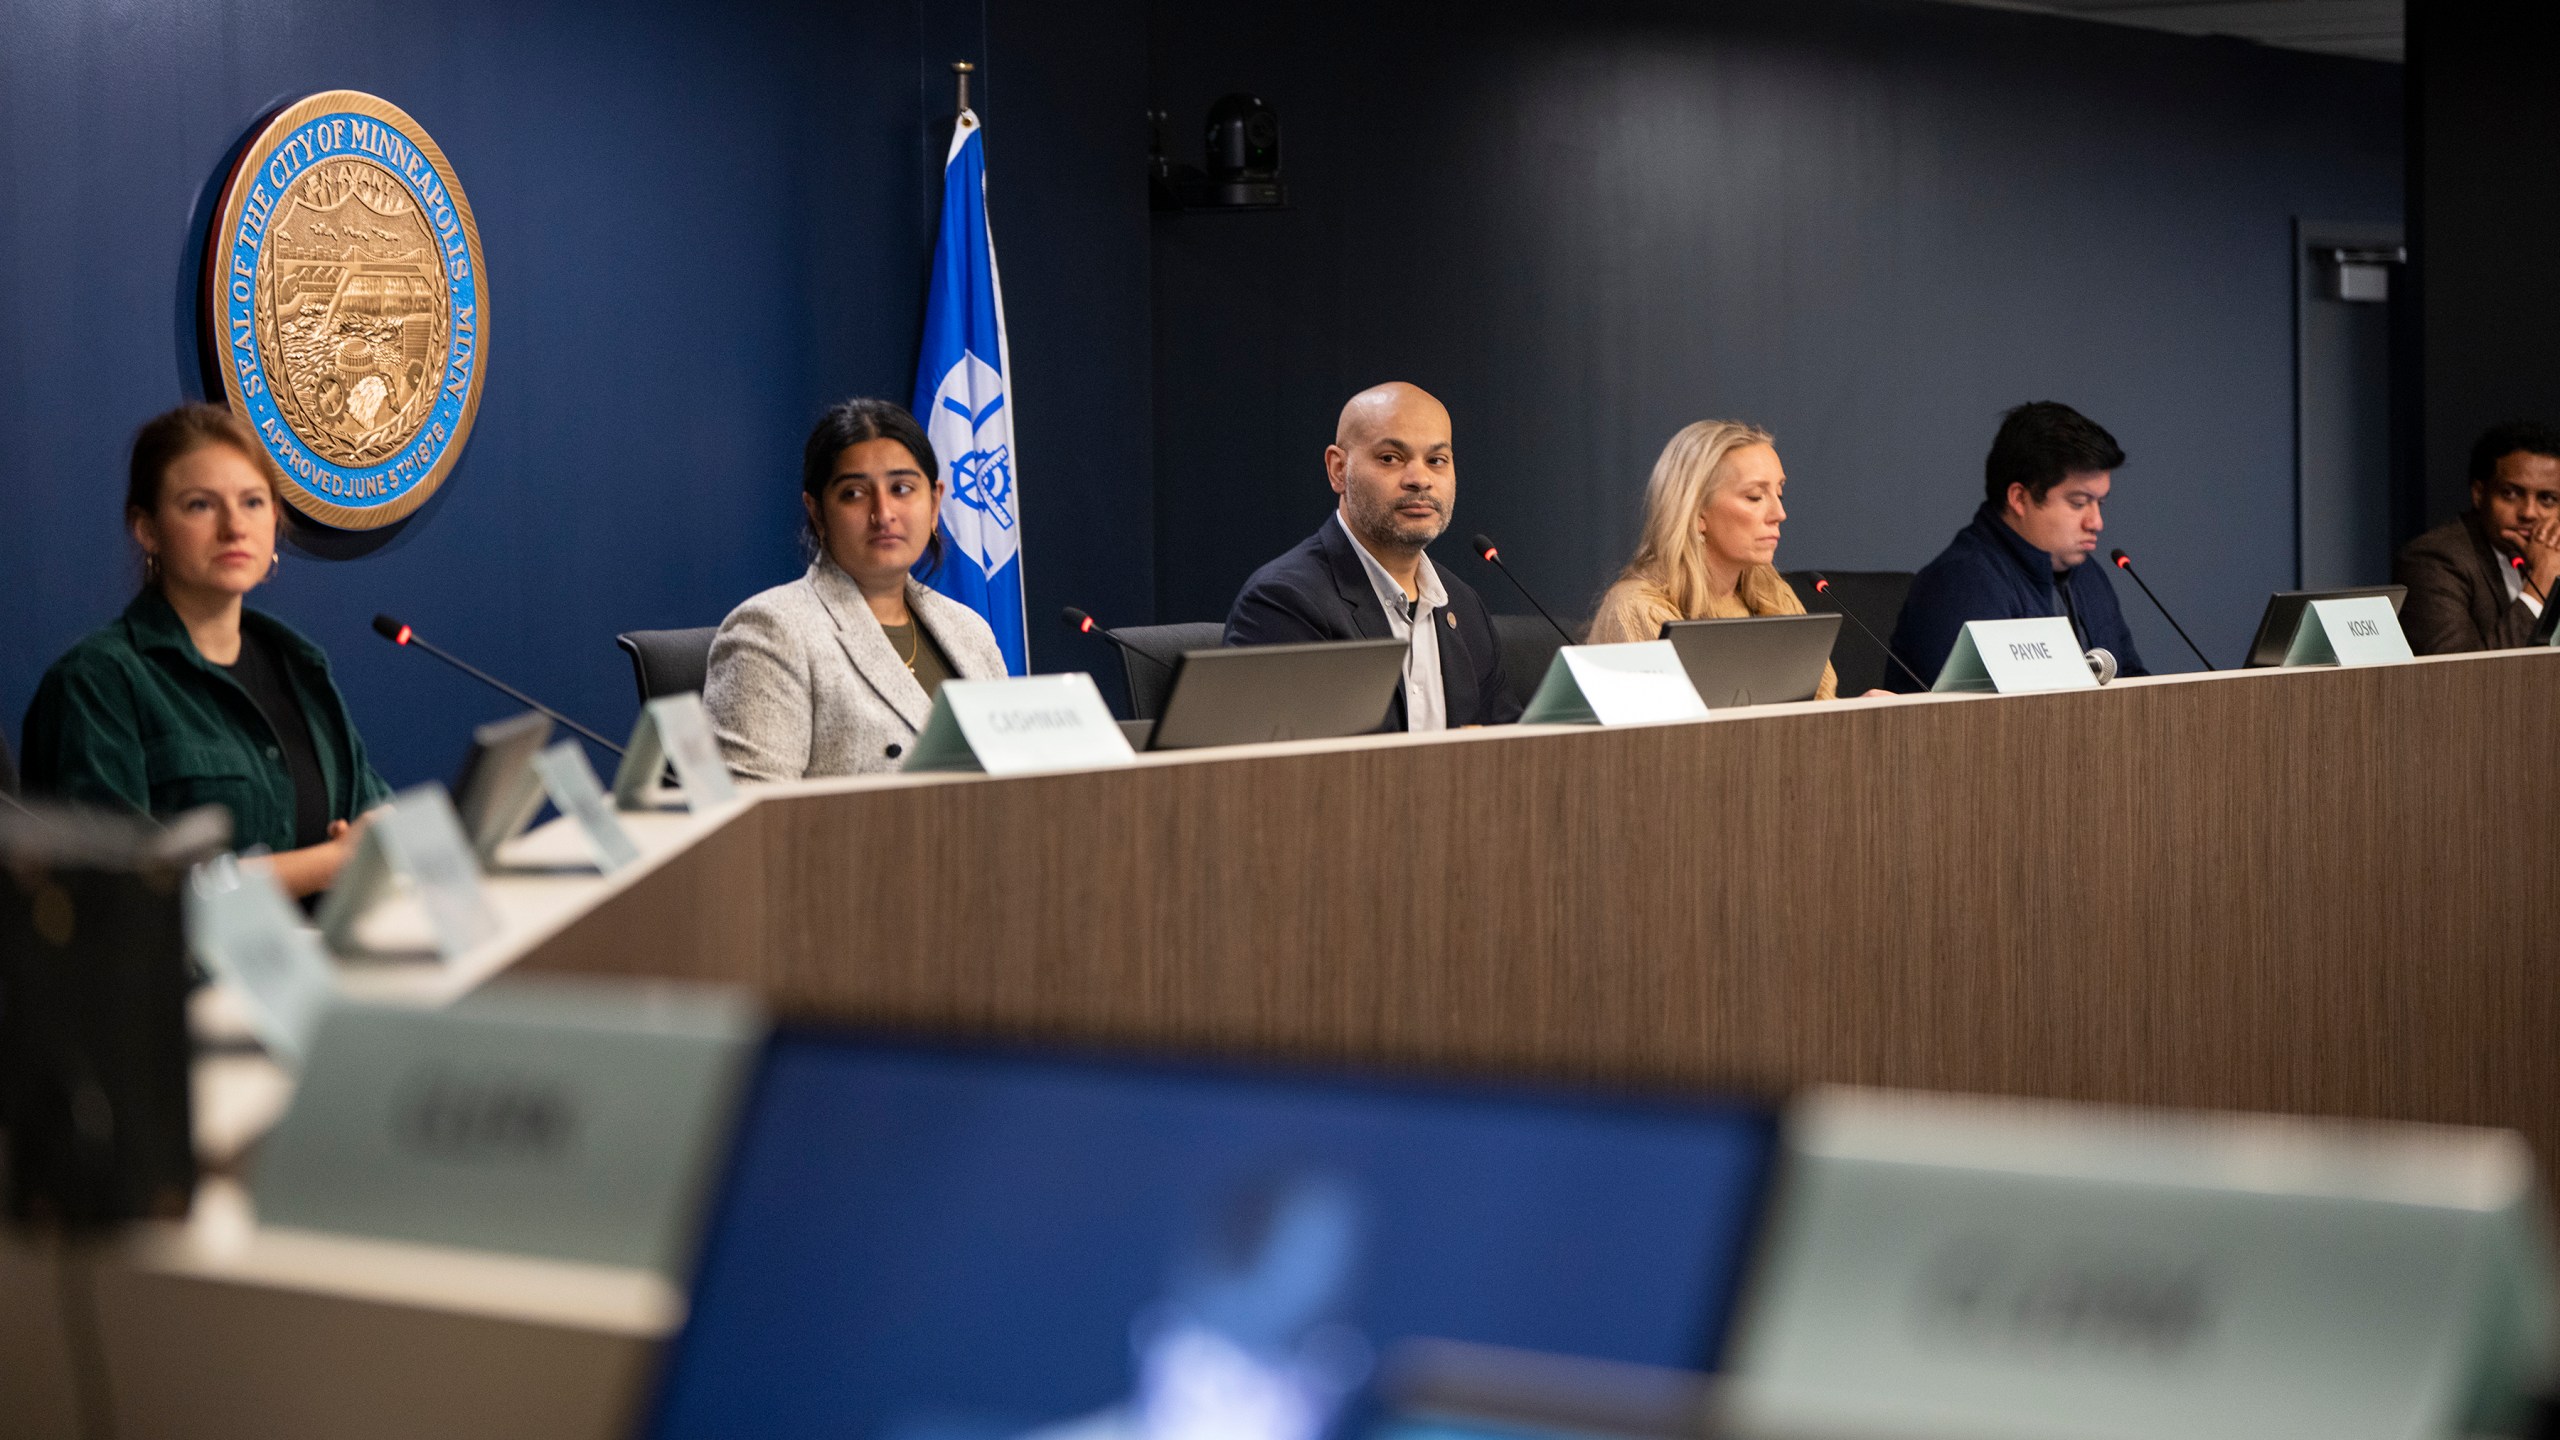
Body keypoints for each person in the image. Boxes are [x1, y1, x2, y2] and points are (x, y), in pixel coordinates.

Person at [20, 404, 389, 896]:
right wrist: (331, 863)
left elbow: (369, 806)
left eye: (253, 502)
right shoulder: (97, 683)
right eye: (200, 505)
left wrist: (381, 829)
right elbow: (126, 888)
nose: (234, 527)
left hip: (326, 963)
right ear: (147, 529)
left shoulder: (299, 667)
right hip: (187, 973)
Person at [705, 398, 1007, 778]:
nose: (883, 514)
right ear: (817, 513)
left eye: (901, 488)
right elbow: (751, 820)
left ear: (934, 504)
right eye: (854, 494)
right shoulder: (770, 631)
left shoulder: (969, 631)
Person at [1224, 382, 1518, 730]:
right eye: (1391, 458)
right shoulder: (1284, 603)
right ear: (1338, 470)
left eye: (1436, 460)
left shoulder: (1465, 608)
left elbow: (1509, 752)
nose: (1420, 479)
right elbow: (1288, 772)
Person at [1887, 401, 2147, 690]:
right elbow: (1973, 721)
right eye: (2078, 503)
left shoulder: (2089, 577)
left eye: (2100, 503)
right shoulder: (1960, 584)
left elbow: (2132, 681)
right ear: (2019, 498)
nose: (2096, 522)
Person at [1586, 420, 1838, 699]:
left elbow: (1819, 712)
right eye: (1755, 497)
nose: (1779, 513)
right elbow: (1681, 733)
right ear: (1697, 513)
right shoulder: (1636, 608)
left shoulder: (1774, 595)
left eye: (1779, 493)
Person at [2393, 422, 2560, 654]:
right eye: (2511, 493)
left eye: (2547, 499)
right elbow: (2459, 677)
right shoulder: (2433, 560)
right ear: (2479, 494)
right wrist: (2541, 583)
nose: (2529, 513)